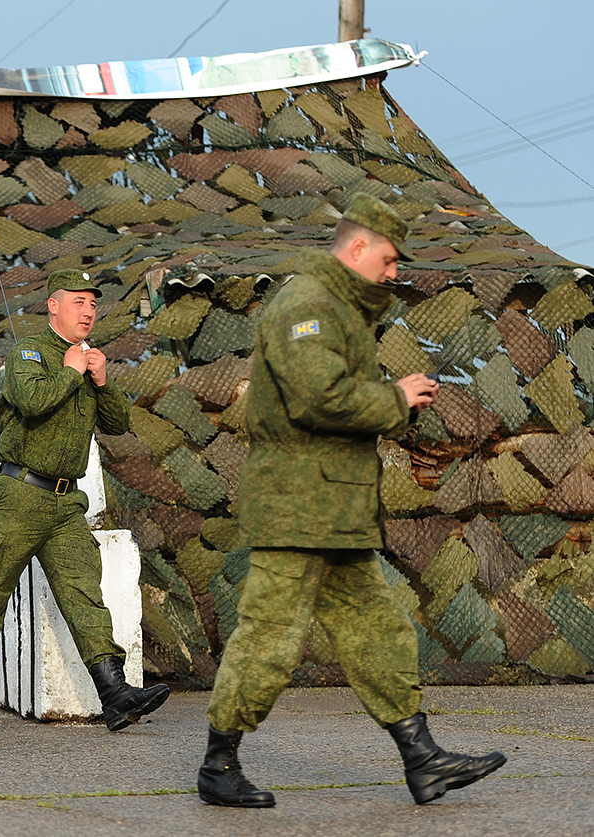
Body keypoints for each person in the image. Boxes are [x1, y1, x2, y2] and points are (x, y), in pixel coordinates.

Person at [198, 194, 506, 807]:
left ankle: (422, 758)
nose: (394, 274)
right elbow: (319, 398)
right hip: (296, 509)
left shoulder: (336, 307)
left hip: (334, 511)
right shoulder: (306, 306)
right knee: (270, 638)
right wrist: (393, 397)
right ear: (358, 246)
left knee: (379, 628)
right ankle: (217, 765)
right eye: (389, 259)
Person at [0, 268, 170, 732]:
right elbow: (31, 400)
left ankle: (115, 695)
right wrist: (70, 371)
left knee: (85, 595)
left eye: (92, 304)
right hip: (20, 494)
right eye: (79, 302)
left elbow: (118, 423)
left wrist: (102, 380)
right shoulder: (28, 352)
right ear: (54, 305)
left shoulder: (87, 360)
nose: (88, 311)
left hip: (66, 502)